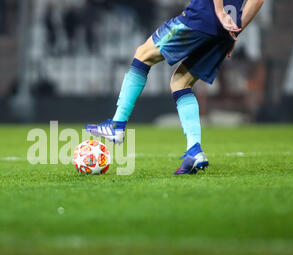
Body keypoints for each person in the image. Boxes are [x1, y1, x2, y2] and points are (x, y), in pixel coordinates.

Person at [86, 0, 264, 175]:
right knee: (181, 82)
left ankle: (117, 125)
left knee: (143, 54)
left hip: (203, 17)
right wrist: (235, 31)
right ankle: (194, 151)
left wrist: (219, 11)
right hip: (226, 30)